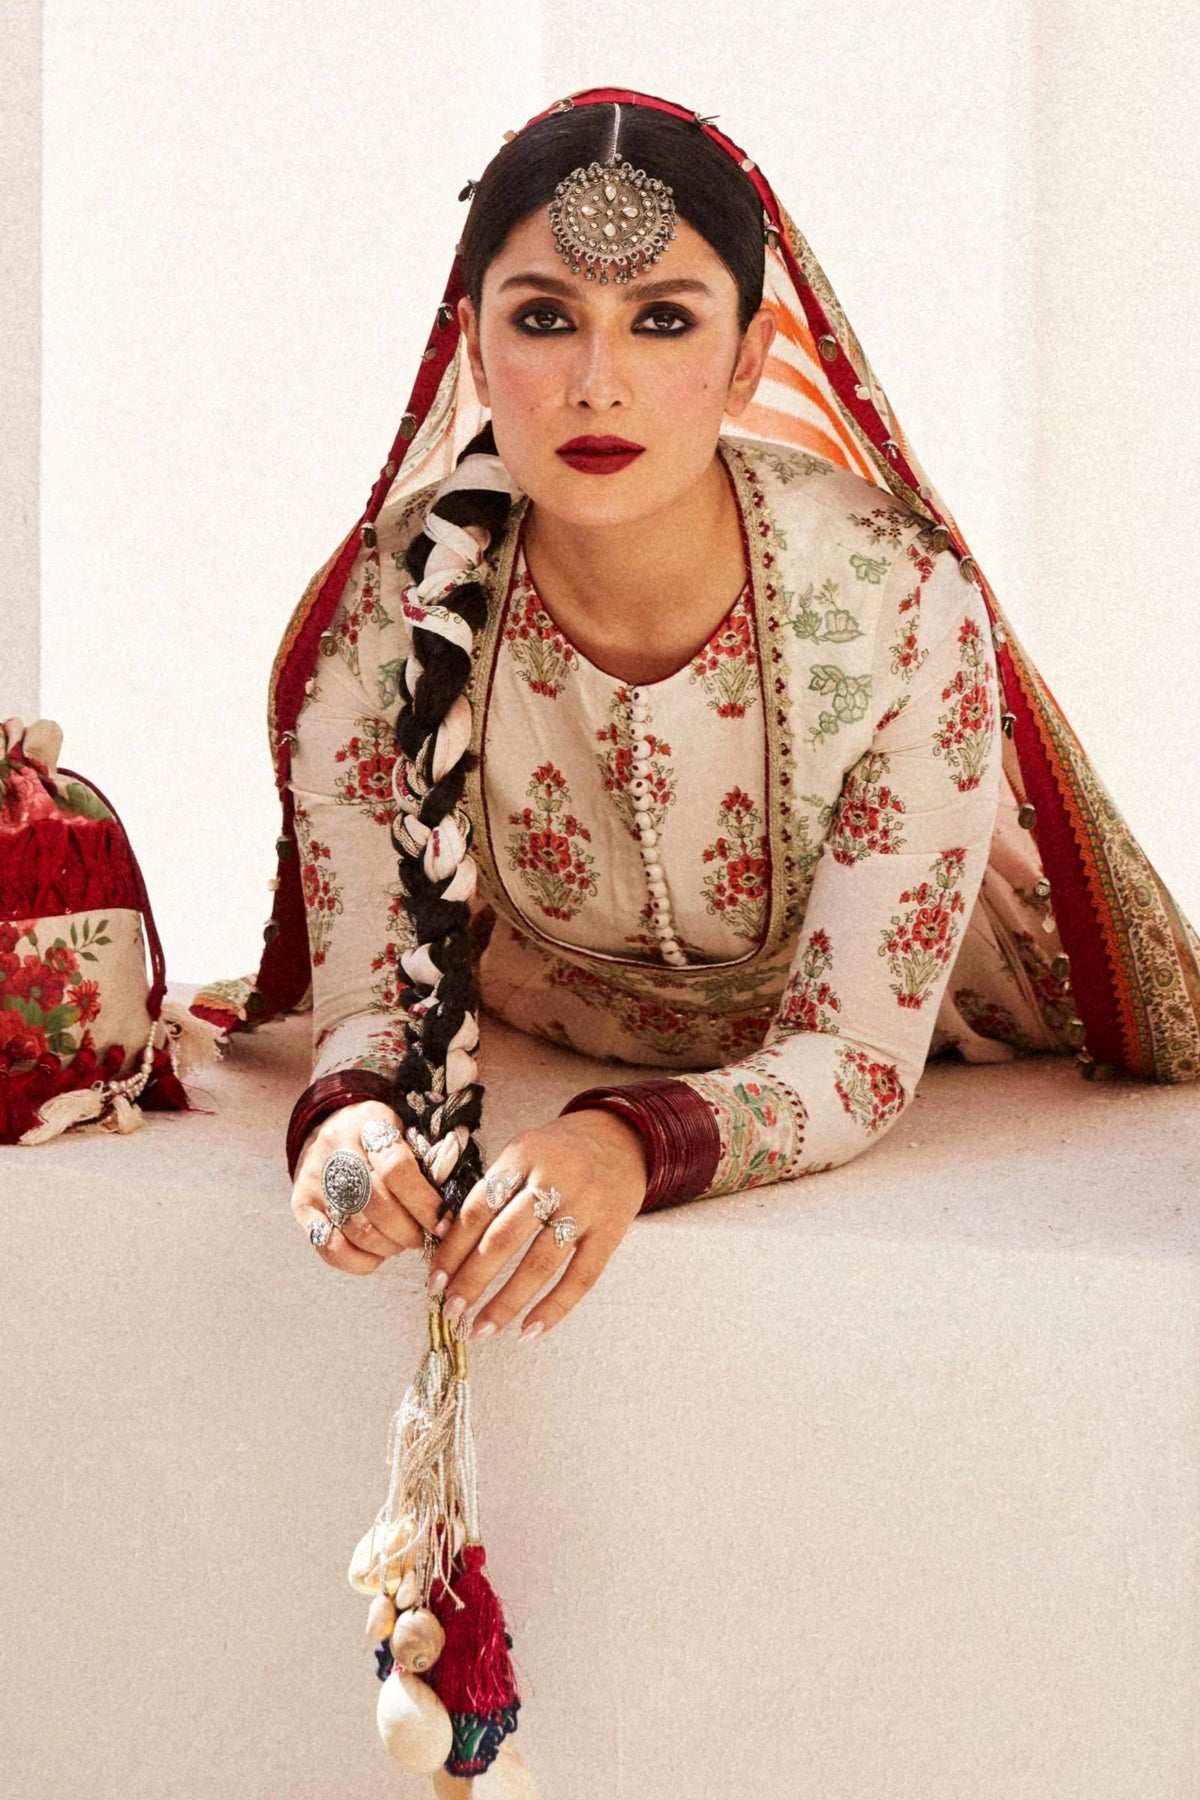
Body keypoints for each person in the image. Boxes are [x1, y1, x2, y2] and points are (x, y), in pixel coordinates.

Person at [194, 87, 1200, 1345]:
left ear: (752, 356)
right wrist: (347, 1127)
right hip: (549, 1009)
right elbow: (369, 1004)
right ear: (474, 349)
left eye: (662, 321)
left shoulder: (893, 601)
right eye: (545, 319)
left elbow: (855, 1054)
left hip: (940, 1041)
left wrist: (625, 1142)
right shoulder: (397, 604)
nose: (598, 384)